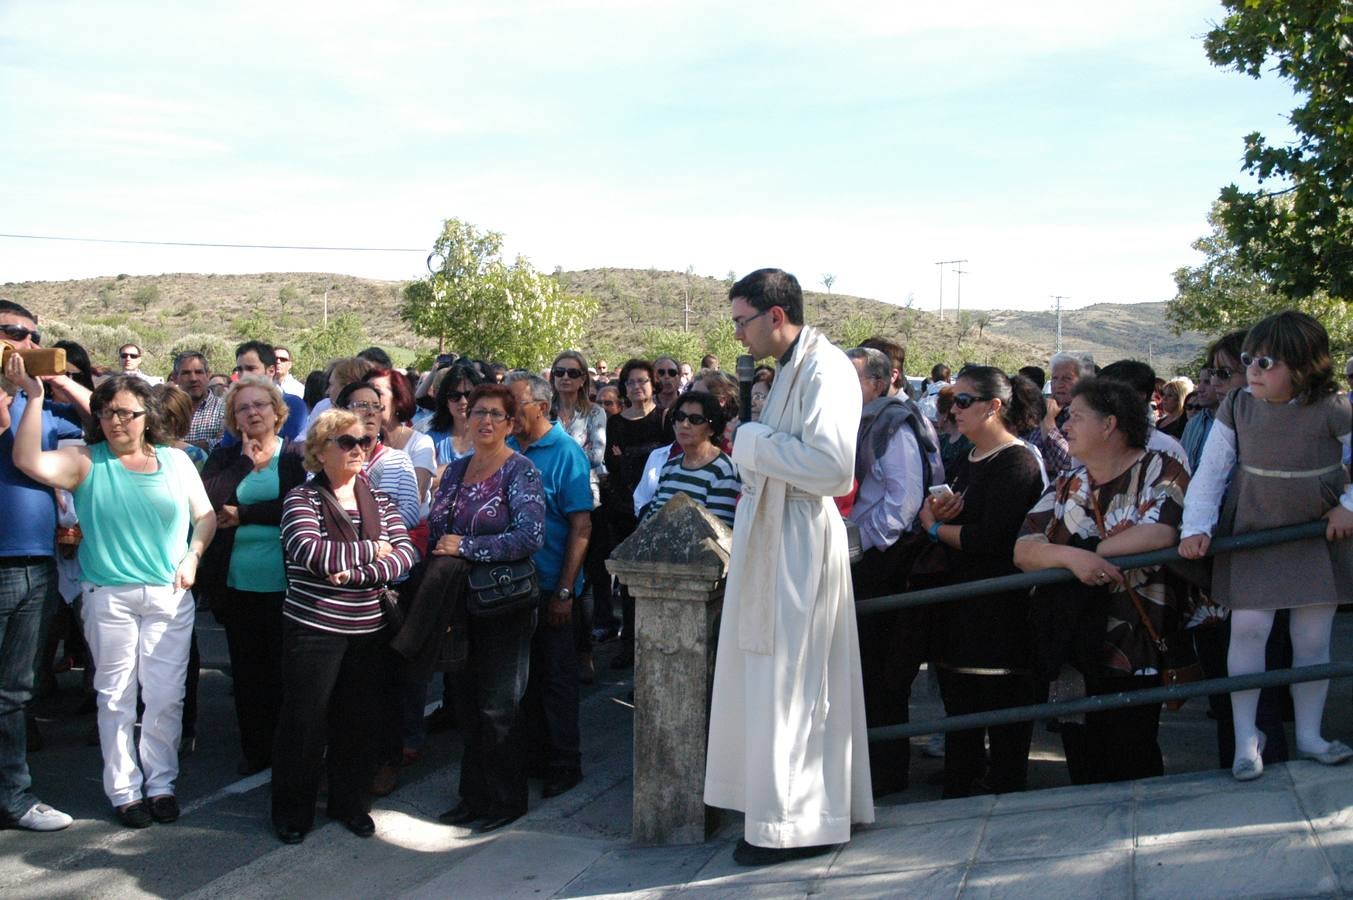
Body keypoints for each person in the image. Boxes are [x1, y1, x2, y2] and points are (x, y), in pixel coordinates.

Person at [703, 268, 872, 866]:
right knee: (772, 677)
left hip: (798, 538)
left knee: (796, 680)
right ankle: (782, 811)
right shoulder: (790, 370)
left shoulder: (825, 369)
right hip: (773, 531)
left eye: (741, 322)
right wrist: (749, 442)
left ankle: (796, 824)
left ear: (775, 315)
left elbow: (832, 468)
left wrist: (747, 441)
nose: (738, 336)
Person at [8, 361, 214, 829]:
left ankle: (161, 784)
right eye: (106, 413)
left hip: (169, 594)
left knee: (165, 697)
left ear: (147, 415)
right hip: (109, 597)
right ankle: (124, 791)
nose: (116, 421)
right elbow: (27, 461)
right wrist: (37, 398)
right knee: (116, 697)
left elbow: (204, 517)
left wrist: (192, 557)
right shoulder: (85, 460)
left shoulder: (176, 461)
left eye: (126, 412)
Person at [1179, 310, 1353, 781]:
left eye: (1266, 362)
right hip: (1254, 529)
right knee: (1248, 632)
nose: (1252, 370)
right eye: (1248, 360)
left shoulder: (1337, 407)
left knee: (1313, 640)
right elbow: (1212, 471)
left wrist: (1349, 506)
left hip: (1316, 535)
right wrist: (1196, 526)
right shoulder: (1237, 405)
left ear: (1304, 365)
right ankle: (1245, 737)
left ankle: (1311, 735)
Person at [1015, 376, 1190, 784]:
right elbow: (1023, 549)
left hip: (1134, 644)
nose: (1064, 426)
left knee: (1133, 752)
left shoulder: (1160, 470)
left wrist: (1086, 553)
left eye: (1075, 417)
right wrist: (1070, 557)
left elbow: (1160, 532)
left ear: (1109, 424)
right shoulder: (1068, 483)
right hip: (1073, 644)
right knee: (1082, 754)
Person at [271, 410, 417, 844]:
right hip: (313, 627)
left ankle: (350, 804)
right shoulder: (301, 499)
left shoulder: (380, 500)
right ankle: (293, 813)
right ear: (319, 451)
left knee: (358, 721)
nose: (358, 449)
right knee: (304, 722)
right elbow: (310, 553)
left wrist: (355, 573)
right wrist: (374, 549)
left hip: (369, 627)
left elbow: (405, 556)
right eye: (346, 442)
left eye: (364, 442)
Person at [918, 366, 1045, 798]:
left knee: (1003, 710)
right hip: (957, 605)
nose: (954, 408)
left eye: (964, 401)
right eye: (954, 399)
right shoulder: (964, 456)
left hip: (1000, 609)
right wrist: (934, 511)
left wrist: (936, 529)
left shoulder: (1018, 462)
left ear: (994, 406)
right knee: (960, 706)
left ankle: (1005, 793)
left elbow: (992, 538)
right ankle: (961, 783)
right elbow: (932, 506)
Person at [430, 384, 545, 833]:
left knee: (499, 706)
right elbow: (438, 523)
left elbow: (530, 537)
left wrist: (468, 546)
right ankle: (472, 796)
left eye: (496, 414)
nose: (485, 421)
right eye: (478, 412)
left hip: (505, 603)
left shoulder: (522, 472)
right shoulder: (456, 471)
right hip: (459, 603)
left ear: (511, 424)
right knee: (466, 702)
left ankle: (505, 799)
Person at [0, 301, 84, 832]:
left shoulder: (47, 409)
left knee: (14, 691)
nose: (28, 343)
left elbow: (111, 413)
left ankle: (12, 794)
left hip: (37, 562)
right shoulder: (20, 403)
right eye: (14, 333)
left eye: (34, 335)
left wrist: (55, 382)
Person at [844, 346, 939, 796]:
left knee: (883, 674)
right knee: (865, 671)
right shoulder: (867, 421)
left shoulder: (894, 425)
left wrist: (860, 541)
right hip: (870, 556)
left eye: (853, 377)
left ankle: (886, 774)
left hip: (885, 560)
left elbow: (901, 504)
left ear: (879, 383)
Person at [199, 376, 306, 776]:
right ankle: (254, 748)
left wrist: (243, 514)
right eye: (243, 407)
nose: (253, 412)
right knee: (247, 673)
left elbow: (296, 509)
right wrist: (245, 462)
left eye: (260, 405)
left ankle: (286, 749)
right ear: (233, 417)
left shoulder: (296, 456)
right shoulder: (225, 458)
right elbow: (208, 501)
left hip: (285, 584)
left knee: (283, 671)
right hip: (236, 583)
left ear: (277, 412)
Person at [505, 373, 593, 799]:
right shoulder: (504, 450)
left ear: (541, 407)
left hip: (548, 586)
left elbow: (581, 525)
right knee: (521, 682)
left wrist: (564, 590)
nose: (508, 413)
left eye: (515, 404)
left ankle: (564, 763)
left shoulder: (565, 453)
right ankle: (532, 758)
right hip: (508, 588)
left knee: (556, 679)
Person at [603, 359, 666, 670]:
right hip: (622, 507)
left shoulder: (665, 418)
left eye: (642, 380)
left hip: (657, 507)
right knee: (628, 583)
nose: (636, 386)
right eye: (630, 382)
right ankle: (628, 645)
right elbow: (613, 464)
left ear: (653, 384)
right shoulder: (616, 422)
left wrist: (630, 455)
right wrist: (638, 456)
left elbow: (666, 457)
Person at [548, 351, 607, 681]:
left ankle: (584, 652)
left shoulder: (594, 413)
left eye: (572, 372)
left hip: (585, 498)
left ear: (584, 377)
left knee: (578, 579)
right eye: (560, 372)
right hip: (546, 502)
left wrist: (556, 453)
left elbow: (595, 457)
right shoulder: (546, 411)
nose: (566, 378)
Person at [644, 390, 740, 526]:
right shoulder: (669, 467)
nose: (684, 424)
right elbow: (651, 520)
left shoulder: (723, 471)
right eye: (680, 416)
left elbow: (718, 532)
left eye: (695, 419)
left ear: (712, 429)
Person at [229, 342, 308, 443]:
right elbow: (229, 446)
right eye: (240, 370)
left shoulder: (293, 405)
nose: (244, 375)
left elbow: (293, 449)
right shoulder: (235, 406)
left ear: (271, 371)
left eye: (251, 369)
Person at [171, 351, 224, 450]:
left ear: (208, 375)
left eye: (199, 372)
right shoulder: (168, 410)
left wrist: (178, 445)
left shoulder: (225, 408)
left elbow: (225, 444)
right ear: (175, 378)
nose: (193, 378)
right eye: (186, 373)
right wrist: (207, 443)